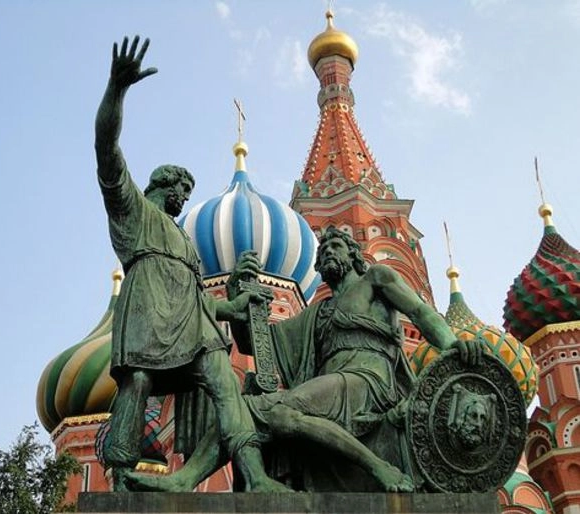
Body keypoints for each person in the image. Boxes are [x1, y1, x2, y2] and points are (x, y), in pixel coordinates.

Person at [126, 226, 482, 492]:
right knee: (240, 407)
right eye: (322, 250)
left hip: (369, 381)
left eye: (335, 246)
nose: (327, 253)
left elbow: (420, 312)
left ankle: (380, 468)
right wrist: (238, 296)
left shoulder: (376, 278)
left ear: (354, 254)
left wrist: (452, 344)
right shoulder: (318, 312)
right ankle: (184, 480)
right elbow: (255, 345)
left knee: (278, 410)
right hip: (333, 383)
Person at [95, 35, 286, 492]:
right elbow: (106, 149)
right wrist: (117, 90)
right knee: (138, 382)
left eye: (188, 190)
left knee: (226, 387)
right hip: (146, 315)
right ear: (162, 184)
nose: (184, 196)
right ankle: (120, 474)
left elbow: (196, 299)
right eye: (181, 188)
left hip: (194, 327)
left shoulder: (183, 239)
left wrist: (233, 307)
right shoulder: (133, 211)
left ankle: (256, 476)